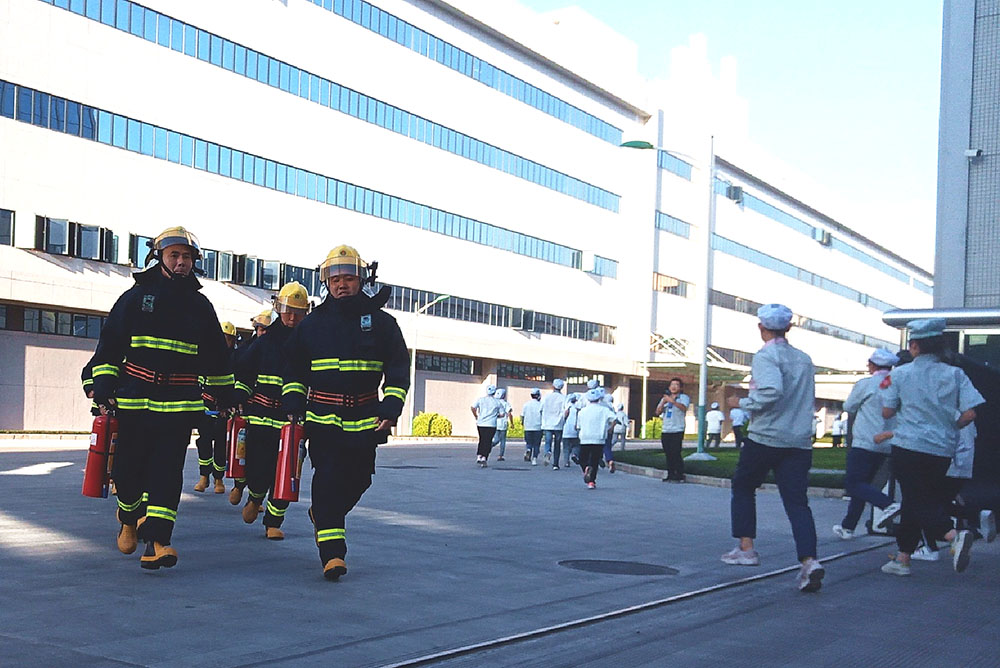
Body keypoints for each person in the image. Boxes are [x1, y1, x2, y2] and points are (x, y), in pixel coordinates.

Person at [87, 226, 234, 570]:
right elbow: (110, 347)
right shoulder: (135, 298)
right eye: (175, 256)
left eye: (186, 257)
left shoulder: (200, 305)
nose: (181, 263)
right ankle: (128, 517)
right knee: (127, 471)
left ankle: (158, 542)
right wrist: (105, 388)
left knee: (167, 474)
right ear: (160, 258)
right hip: (135, 400)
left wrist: (225, 395)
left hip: (179, 405)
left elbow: (216, 357)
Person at [281, 245, 409, 580]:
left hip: (365, 418)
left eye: (348, 278)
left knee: (360, 479)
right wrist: (293, 402)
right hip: (322, 419)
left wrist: (392, 406)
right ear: (326, 282)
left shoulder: (383, 324)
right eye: (335, 279)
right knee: (327, 480)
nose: (341, 285)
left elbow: (397, 370)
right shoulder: (311, 325)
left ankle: (323, 514)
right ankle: (333, 554)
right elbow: (294, 369)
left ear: (361, 280)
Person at [721, 303, 824, 593]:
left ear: (761, 327)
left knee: (743, 486)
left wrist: (741, 403)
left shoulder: (766, 356)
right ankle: (809, 560)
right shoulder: (804, 359)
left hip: (766, 436)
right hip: (799, 440)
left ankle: (746, 548)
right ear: (788, 327)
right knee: (797, 502)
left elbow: (770, 391)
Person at [880, 318, 985, 577]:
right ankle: (903, 558)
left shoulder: (900, 373)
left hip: (908, 445)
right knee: (920, 499)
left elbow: (887, 410)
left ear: (914, 345)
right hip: (941, 449)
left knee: (916, 499)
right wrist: (951, 427)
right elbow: (970, 414)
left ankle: (953, 536)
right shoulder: (955, 374)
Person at [233, 283, 309, 540]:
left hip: (294, 421)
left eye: (298, 312)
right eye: (288, 310)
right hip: (262, 417)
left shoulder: (309, 344)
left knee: (288, 472)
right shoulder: (264, 343)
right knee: (259, 468)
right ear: (278, 309)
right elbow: (244, 372)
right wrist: (239, 395)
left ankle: (274, 521)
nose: (292, 317)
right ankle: (255, 497)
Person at [831, 348, 902, 540]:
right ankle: (848, 526)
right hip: (887, 443)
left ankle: (887, 504)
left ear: (873, 365)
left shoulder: (867, 384)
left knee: (854, 484)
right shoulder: (897, 383)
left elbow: (849, 406)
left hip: (865, 441)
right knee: (863, 486)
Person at [193, 320, 239, 495]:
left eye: (227, 339)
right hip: (206, 408)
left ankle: (218, 478)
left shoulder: (233, 359)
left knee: (220, 445)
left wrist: (228, 406)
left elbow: (232, 386)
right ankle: (204, 476)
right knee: (204, 442)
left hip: (222, 411)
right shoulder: (205, 356)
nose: (223, 342)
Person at [576, 388, 615, 489]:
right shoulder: (604, 410)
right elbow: (614, 419)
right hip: (599, 438)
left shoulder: (582, 411)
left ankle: (586, 468)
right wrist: (610, 428)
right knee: (595, 460)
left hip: (585, 437)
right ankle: (591, 482)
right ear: (599, 399)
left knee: (582, 458)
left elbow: (578, 426)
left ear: (588, 399)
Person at [656, 378, 689, 482]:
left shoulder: (683, 397)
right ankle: (670, 474)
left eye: (676, 385)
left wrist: (673, 401)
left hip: (677, 428)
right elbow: (657, 412)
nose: (674, 387)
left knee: (676, 452)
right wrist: (663, 402)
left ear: (681, 387)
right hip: (666, 429)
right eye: (672, 385)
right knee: (668, 453)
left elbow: (684, 408)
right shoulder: (665, 398)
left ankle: (679, 474)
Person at [471, 384, 501, 467]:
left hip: (481, 423)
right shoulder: (497, 402)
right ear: (494, 392)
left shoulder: (480, 400)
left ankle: (479, 455)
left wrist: (476, 416)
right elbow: (502, 414)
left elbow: (473, 407)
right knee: (488, 441)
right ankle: (484, 457)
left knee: (482, 439)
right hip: (491, 424)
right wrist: (496, 415)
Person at [541, 379, 567, 469]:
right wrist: (564, 420)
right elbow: (567, 411)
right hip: (559, 424)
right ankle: (555, 464)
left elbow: (541, 409)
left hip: (548, 423)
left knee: (548, 441)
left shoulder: (546, 397)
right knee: (557, 444)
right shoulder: (564, 398)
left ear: (553, 386)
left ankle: (548, 452)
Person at [521, 389, 543, 465]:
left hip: (528, 426)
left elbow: (522, 416)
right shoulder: (541, 404)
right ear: (537, 395)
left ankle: (528, 449)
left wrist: (523, 423)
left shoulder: (526, 404)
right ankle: (534, 459)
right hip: (538, 427)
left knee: (529, 442)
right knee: (537, 444)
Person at [492, 388, 513, 461]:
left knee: (496, 438)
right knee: (503, 440)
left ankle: (490, 445)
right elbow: (509, 413)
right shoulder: (506, 403)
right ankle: (500, 455)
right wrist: (512, 423)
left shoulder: (495, 403)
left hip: (495, 423)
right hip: (503, 424)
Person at [561, 394, 582, 467]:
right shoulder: (578, 409)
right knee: (576, 445)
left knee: (566, 448)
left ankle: (566, 462)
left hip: (566, 431)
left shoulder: (566, 408)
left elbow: (563, 418)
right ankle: (574, 454)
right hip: (575, 431)